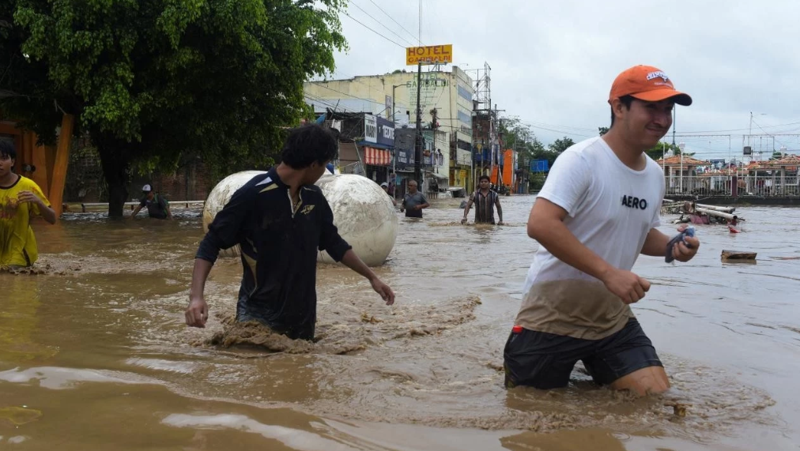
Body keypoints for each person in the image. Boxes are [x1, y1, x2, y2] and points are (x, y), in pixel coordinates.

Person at [504, 65, 700, 396]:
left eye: (668, 110)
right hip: (552, 317)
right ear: (618, 107)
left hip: (611, 318)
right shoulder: (581, 160)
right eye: (651, 107)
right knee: (534, 417)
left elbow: (641, 232)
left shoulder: (654, 175)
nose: (663, 119)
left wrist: (673, 246)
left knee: (654, 400)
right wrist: (609, 273)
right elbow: (540, 223)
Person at [185, 124, 394, 340]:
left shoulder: (314, 197)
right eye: (325, 165)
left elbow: (334, 243)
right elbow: (211, 242)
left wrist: (372, 278)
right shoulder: (253, 194)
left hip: (302, 318)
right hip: (257, 316)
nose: (324, 171)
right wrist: (196, 296)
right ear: (313, 164)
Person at [0, 139, 56, 268]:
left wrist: (38, 202)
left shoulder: (27, 186)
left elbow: (52, 219)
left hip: (19, 251)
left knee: (14, 281)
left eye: (3, 158)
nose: (0, 163)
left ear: (12, 162)